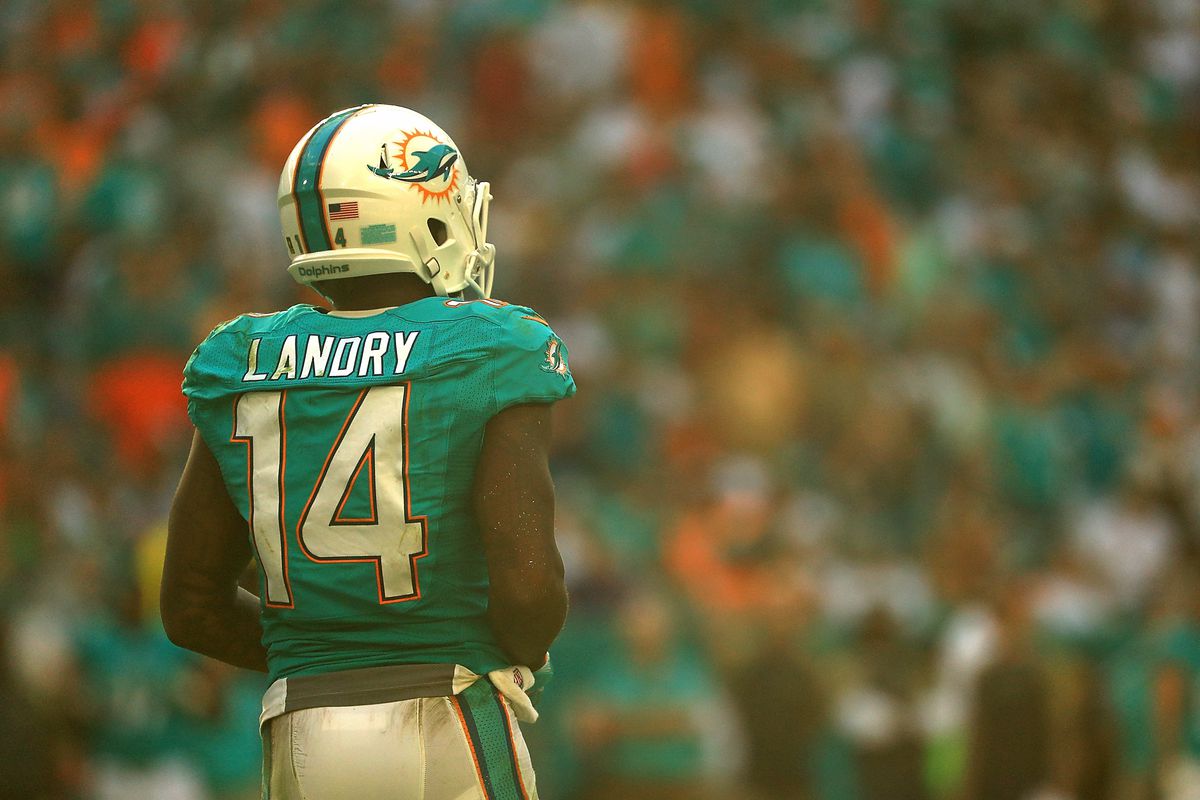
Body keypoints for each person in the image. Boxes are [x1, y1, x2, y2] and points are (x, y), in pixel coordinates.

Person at [160, 104, 575, 799]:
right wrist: (517, 649)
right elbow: (529, 586)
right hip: (446, 704)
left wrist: (325, 655)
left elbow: (190, 605)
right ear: (424, 215)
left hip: (301, 719)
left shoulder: (242, 357)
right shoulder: (490, 346)